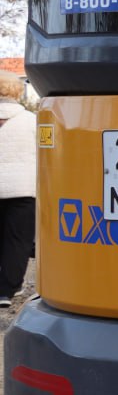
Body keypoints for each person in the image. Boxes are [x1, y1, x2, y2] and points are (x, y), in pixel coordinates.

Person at [0, 74, 35, 308]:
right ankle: (8, 289)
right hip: (23, 189)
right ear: (17, 92)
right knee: (18, 240)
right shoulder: (31, 121)